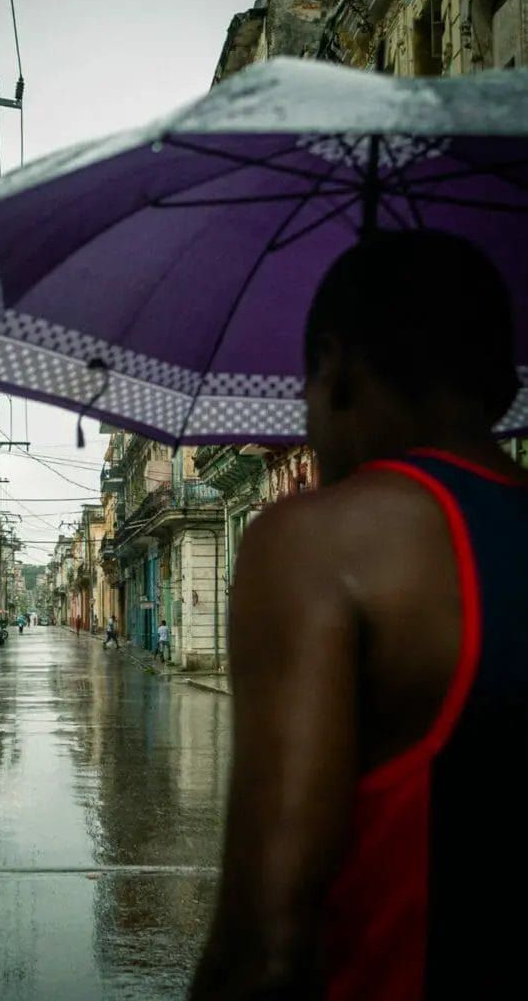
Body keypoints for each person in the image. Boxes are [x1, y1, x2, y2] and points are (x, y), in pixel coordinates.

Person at [190, 230, 528, 1001]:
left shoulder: (319, 538)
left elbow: (264, 948)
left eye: (305, 389)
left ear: (334, 369)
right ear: (501, 389)